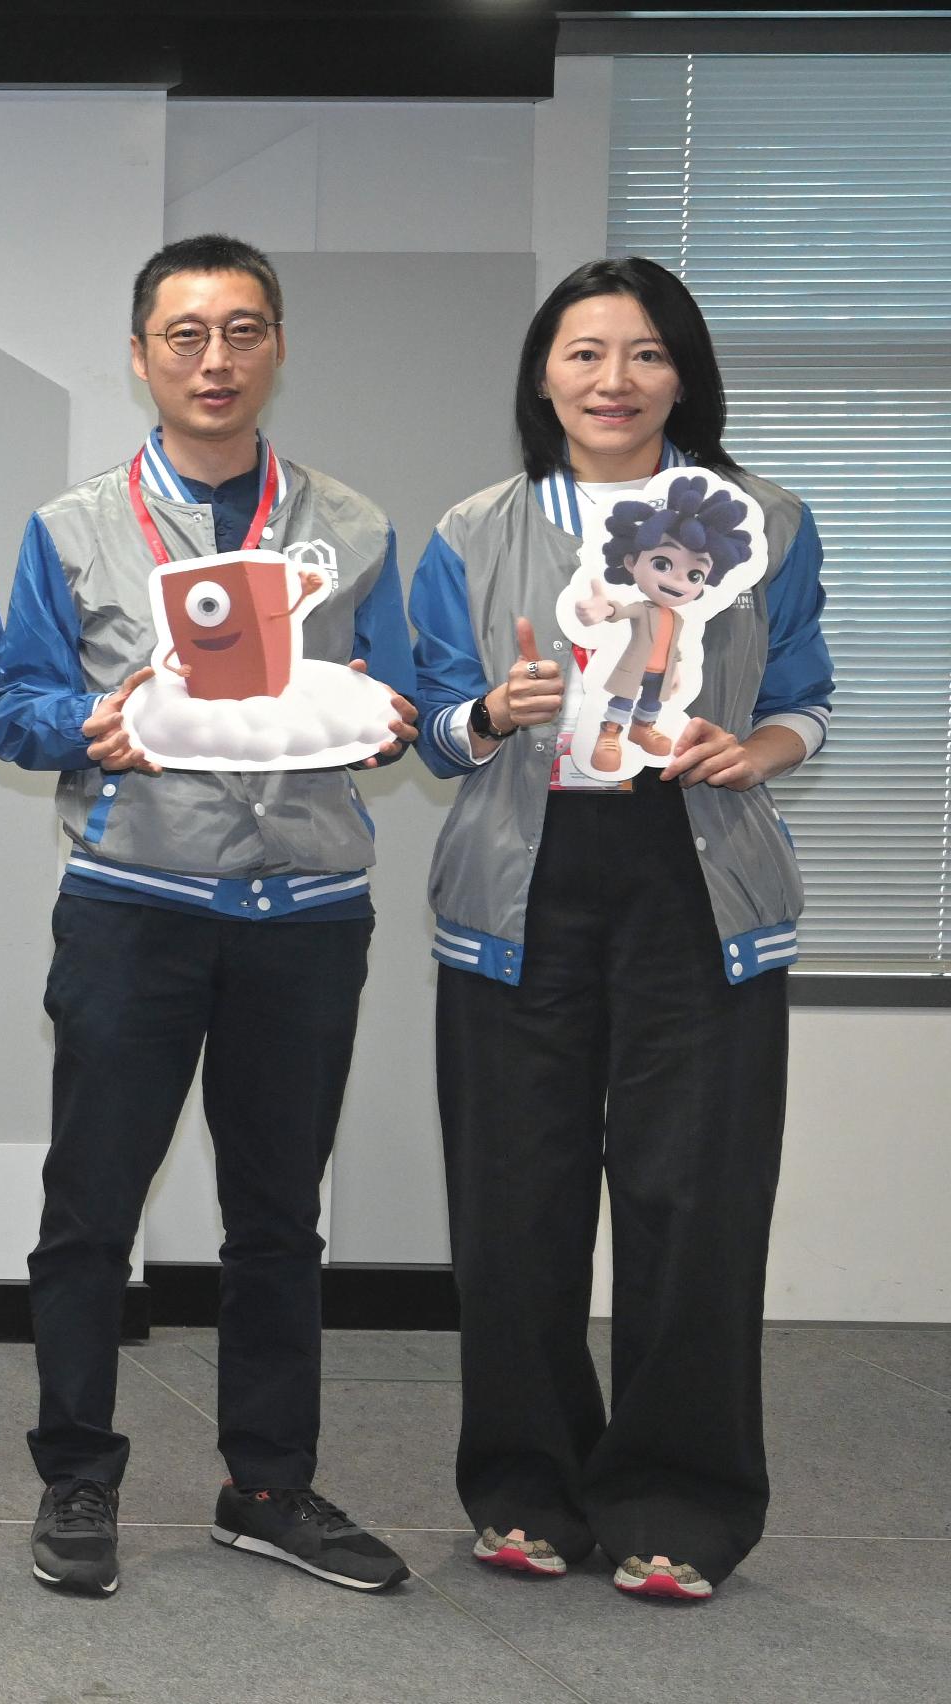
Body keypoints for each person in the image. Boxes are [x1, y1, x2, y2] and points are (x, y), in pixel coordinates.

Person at [0, 236, 420, 1597]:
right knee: (88, 1207)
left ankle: (269, 1485)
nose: (213, 360)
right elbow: (14, 709)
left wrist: (393, 717)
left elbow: (400, 700)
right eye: (184, 335)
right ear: (140, 358)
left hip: (307, 915)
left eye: (240, 331)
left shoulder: (350, 527)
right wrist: (89, 726)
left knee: (279, 1217)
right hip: (135, 904)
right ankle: (74, 1478)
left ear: (277, 346)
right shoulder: (71, 527)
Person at [406, 257, 829, 1604]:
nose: (614, 380)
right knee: (513, 1206)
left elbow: (806, 693)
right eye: (585, 353)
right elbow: (426, 714)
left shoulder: (765, 518)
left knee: (693, 1201)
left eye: (645, 354)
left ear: (684, 374)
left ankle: (678, 1501)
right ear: (544, 373)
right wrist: (495, 714)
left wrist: (750, 749)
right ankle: (525, 1487)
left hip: (694, 876)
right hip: (521, 885)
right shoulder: (475, 527)